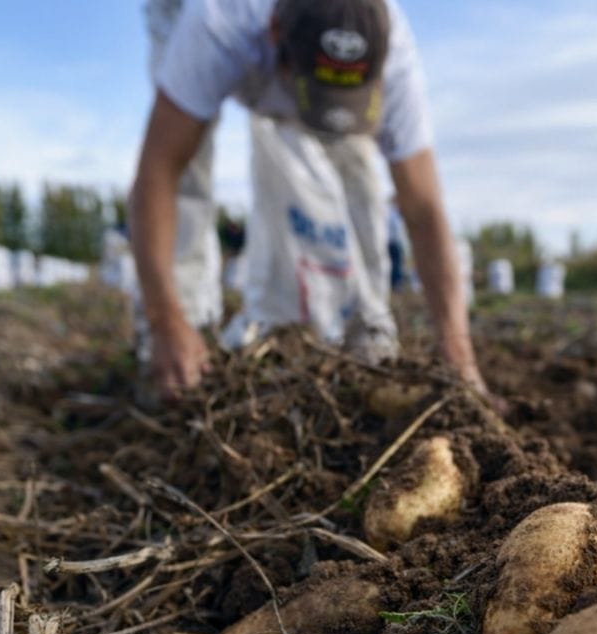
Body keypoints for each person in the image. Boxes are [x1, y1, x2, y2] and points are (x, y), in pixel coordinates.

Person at [132, 0, 485, 398]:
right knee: (186, 173)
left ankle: (365, 328)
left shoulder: (393, 52)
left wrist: (460, 358)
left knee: (355, 159)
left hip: (301, 53)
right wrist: (164, 319)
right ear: (274, 35)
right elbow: (158, 171)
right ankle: (178, 341)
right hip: (190, 18)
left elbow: (423, 207)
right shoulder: (217, 24)